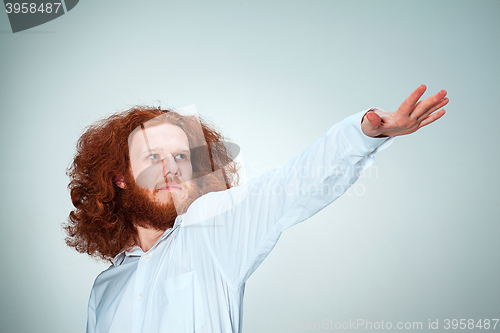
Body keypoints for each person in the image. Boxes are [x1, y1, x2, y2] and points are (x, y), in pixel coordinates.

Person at [65, 85, 448, 333]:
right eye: (153, 156)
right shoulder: (106, 288)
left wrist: (363, 136)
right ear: (119, 177)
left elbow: (288, 186)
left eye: (181, 156)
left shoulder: (212, 232)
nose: (171, 168)